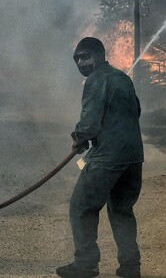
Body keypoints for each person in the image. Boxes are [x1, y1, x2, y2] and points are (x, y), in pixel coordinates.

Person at [56, 37, 144, 278]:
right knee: (122, 210)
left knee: (81, 207)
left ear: (99, 55)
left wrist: (80, 136)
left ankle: (86, 265)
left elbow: (89, 121)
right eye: (77, 59)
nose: (81, 62)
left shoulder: (96, 79)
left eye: (86, 56)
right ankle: (130, 267)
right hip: (133, 157)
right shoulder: (123, 78)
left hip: (108, 157)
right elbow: (136, 110)